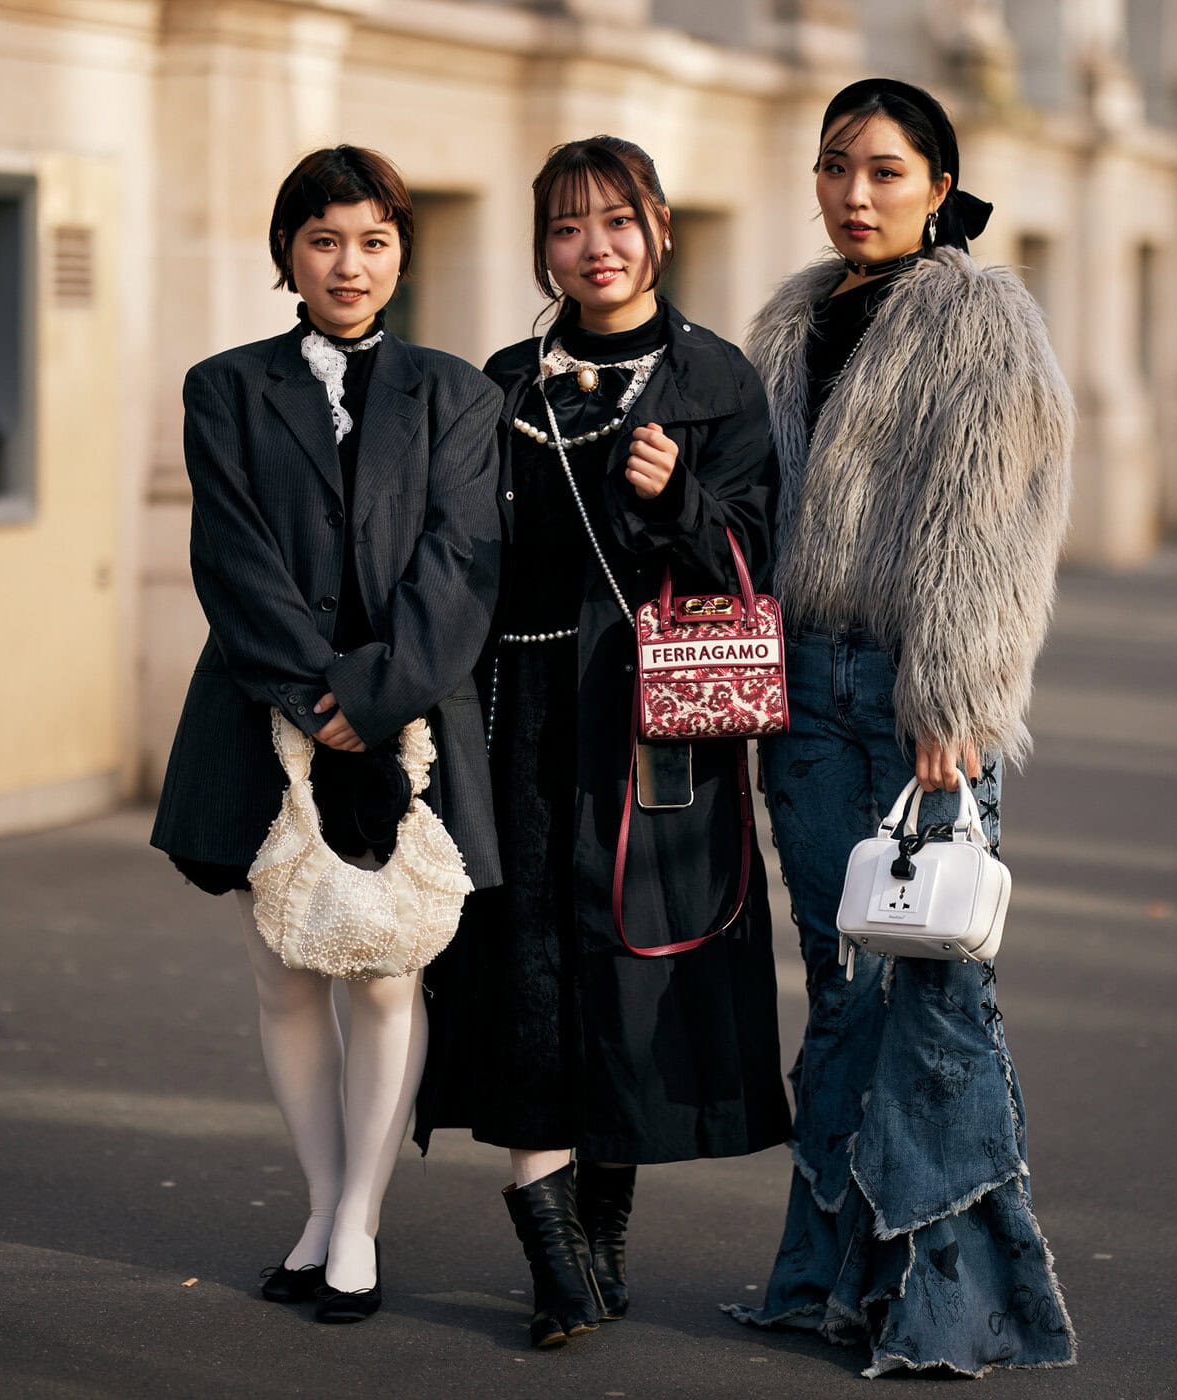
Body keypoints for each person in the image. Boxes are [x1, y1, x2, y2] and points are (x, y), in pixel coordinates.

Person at [724, 80, 1078, 1376]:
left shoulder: (983, 319)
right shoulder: (790, 320)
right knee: (839, 993)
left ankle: (951, 1298)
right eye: (835, 168)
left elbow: (994, 521)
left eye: (884, 170)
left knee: (933, 990)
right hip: (803, 699)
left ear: (939, 185)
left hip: (915, 701)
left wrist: (959, 701)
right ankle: (830, 1277)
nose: (854, 193)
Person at [414, 135, 791, 1349]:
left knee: (629, 978)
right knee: (525, 971)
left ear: (662, 229)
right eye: (569, 226)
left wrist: (679, 497)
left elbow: (753, 562)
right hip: (515, 717)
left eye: (618, 221)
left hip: (653, 727)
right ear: (544, 246)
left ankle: (604, 1230)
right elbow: (458, 558)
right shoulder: (503, 382)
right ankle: (552, 1249)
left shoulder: (717, 379)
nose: (596, 247)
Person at [149, 145, 503, 1325]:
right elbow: (231, 558)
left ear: (402, 252)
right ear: (287, 255)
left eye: (374, 241)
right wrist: (314, 693)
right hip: (265, 705)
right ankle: (321, 1201)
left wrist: (382, 693)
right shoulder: (224, 388)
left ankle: (360, 1221)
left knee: (393, 966)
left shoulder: (460, 394)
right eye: (325, 240)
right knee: (284, 960)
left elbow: (462, 566)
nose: (351, 265)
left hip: (410, 719)